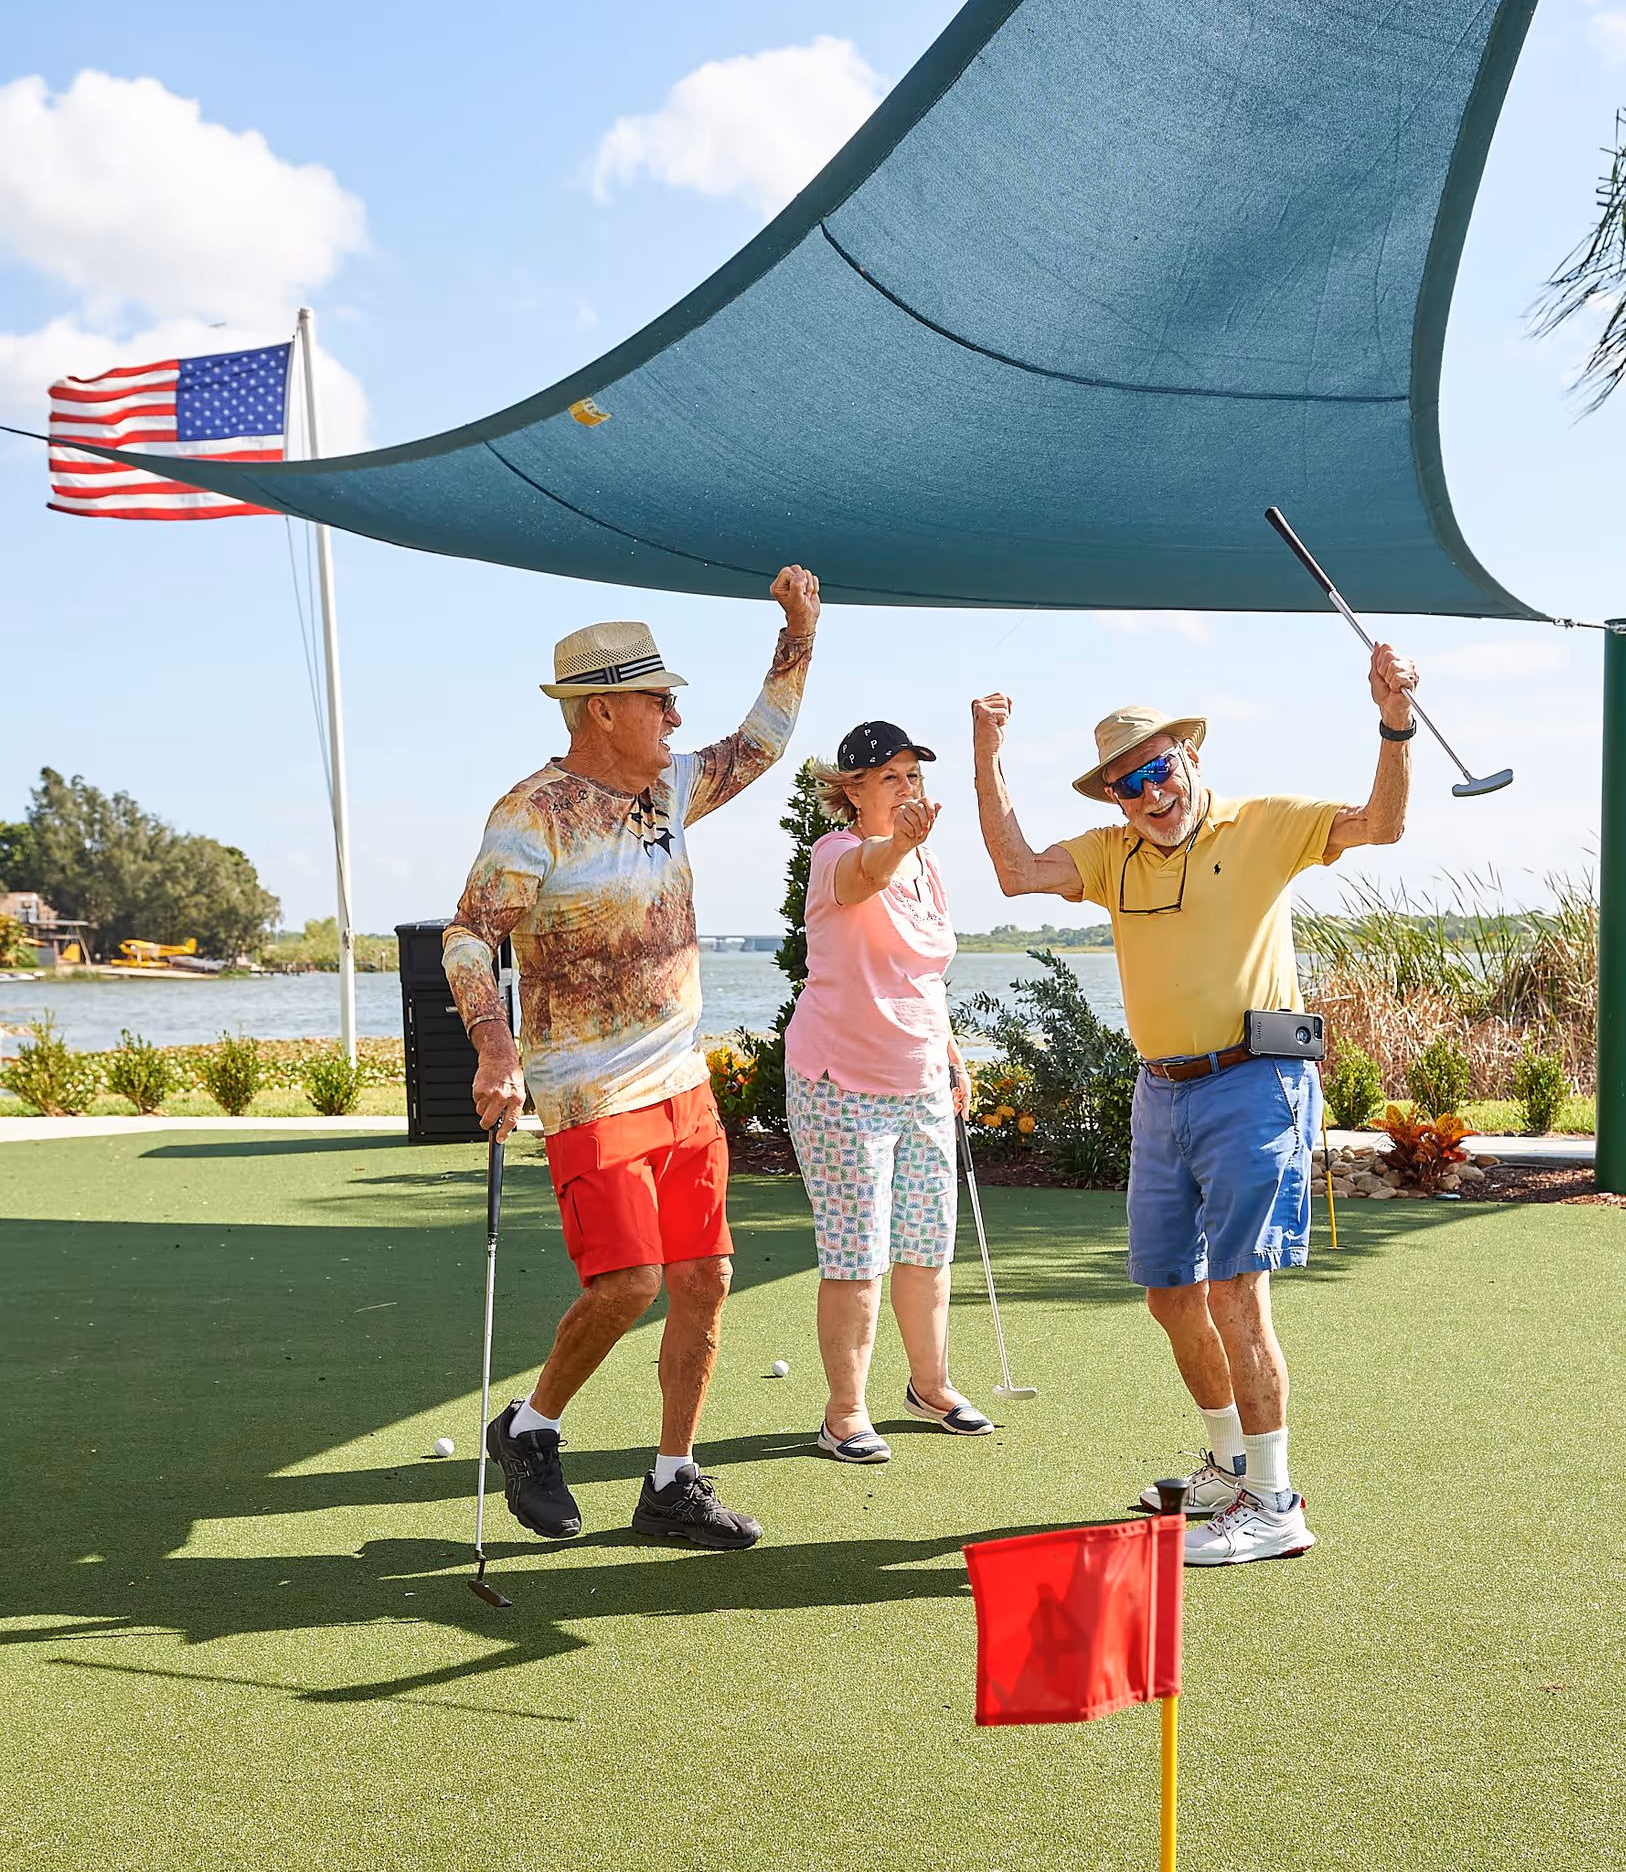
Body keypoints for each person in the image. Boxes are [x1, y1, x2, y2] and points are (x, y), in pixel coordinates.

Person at [970, 648, 1417, 1566]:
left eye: (1160, 770)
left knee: (1235, 1293)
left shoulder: (1267, 824)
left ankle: (1275, 1499)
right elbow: (1015, 872)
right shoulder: (1111, 854)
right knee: (1171, 1296)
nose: (1150, 794)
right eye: (1129, 785)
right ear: (1115, 801)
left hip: (1256, 1081)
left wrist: (1393, 719)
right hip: (1160, 1091)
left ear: (1192, 761)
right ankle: (1226, 1464)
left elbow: (1382, 823)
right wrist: (987, 751)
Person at [446, 567, 820, 1552]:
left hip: (682, 1084)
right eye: (659, 698)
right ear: (603, 709)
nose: (674, 712)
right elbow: (468, 937)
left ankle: (672, 1480)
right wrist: (495, 1046)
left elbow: (763, 742)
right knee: (630, 1284)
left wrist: (799, 633)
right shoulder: (534, 813)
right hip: (586, 1091)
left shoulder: (671, 786)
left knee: (706, 1279)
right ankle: (528, 1426)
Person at [782, 722, 992, 1462]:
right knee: (855, 1255)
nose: (909, 789)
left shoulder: (925, 865)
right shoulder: (836, 855)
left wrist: (948, 1049)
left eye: (914, 776)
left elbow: (920, 973)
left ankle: (928, 1385)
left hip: (921, 1079)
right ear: (852, 791)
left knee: (928, 1244)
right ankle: (844, 1413)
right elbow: (866, 873)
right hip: (840, 1084)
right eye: (892, 777)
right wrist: (899, 841)